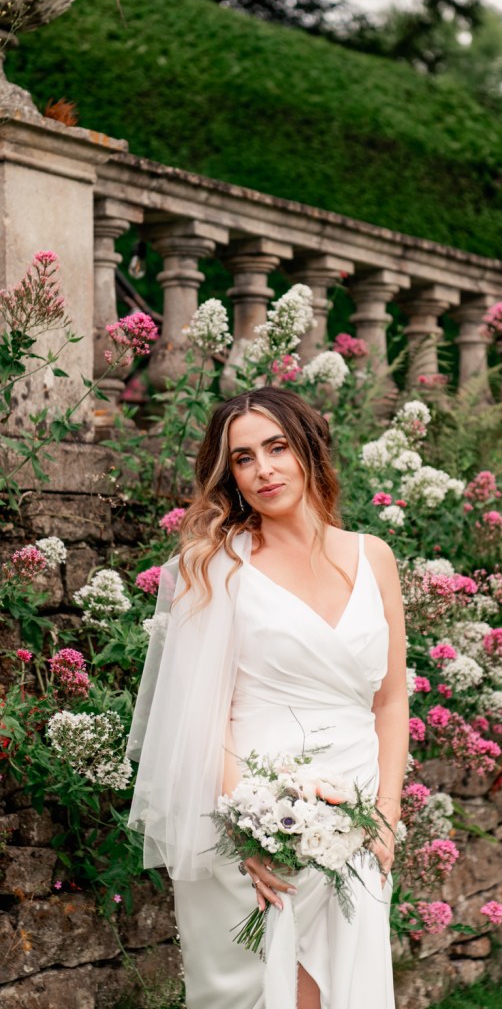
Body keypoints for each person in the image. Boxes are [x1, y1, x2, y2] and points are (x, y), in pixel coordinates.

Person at [127, 386, 409, 1009]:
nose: (264, 470)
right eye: (243, 458)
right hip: (253, 814)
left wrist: (385, 815)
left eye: (276, 447)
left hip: (356, 817)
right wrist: (252, 828)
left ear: (307, 449)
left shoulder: (375, 557)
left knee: (346, 990)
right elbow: (198, 719)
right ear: (229, 475)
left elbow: (390, 701)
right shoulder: (218, 565)